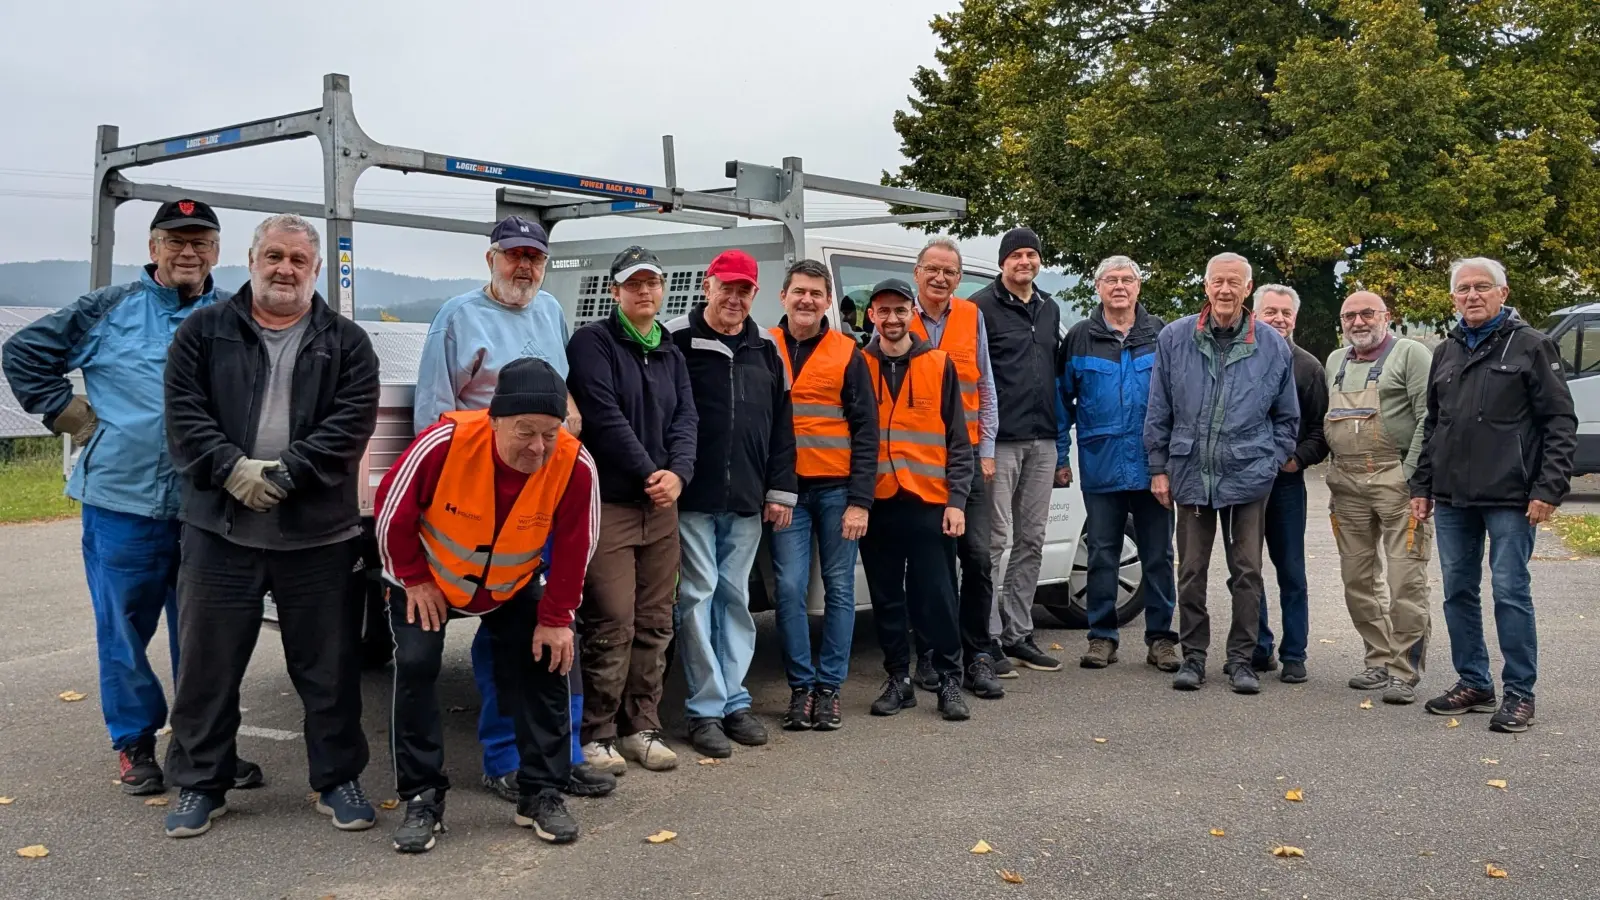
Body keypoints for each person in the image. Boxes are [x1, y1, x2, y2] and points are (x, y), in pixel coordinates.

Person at [0, 199, 268, 797]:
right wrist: (69, 415)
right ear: (153, 249)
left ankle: (203, 747)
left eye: (200, 242)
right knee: (122, 630)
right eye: (175, 241)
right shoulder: (108, 309)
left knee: (205, 635)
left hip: (205, 506)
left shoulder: (235, 316)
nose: (188, 252)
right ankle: (135, 745)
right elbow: (22, 353)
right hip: (122, 502)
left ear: (217, 254)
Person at [160, 214, 380, 837]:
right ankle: (201, 784)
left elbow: (350, 425)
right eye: (274, 255)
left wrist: (284, 475)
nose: (285, 268)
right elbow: (183, 412)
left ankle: (336, 779)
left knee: (329, 668)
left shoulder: (348, 341)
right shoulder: (204, 330)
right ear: (251, 259)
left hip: (318, 534)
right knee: (207, 665)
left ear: (314, 270)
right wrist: (231, 470)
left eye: (299, 260)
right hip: (218, 528)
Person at [411, 215, 609, 802]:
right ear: (490, 258)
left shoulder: (549, 310)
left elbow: (562, 389)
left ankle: (560, 754)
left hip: (544, 494)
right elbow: (434, 412)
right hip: (484, 500)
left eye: (535, 257)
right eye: (514, 254)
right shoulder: (458, 316)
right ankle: (503, 758)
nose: (524, 266)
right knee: (501, 629)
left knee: (559, 618)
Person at [376, 358, 599, 849]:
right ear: (494, 419)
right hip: (430, 581)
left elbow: (577, 544)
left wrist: (557, 617)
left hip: (511, 584)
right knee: (415, 665)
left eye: (549, 432)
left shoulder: (574, 462)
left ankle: (541, 791)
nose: (538, 447)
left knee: (551, 660)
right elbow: (391, 512)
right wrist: (413, 579)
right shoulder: (443, 444)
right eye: (525, 431)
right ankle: (422, 798)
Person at [1410, 258, 1576, 733]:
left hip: (1511, 496)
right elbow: (1435, 425)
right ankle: (1474, 683)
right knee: (1458, 592)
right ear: (1453, 299)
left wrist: (1549, 488)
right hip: (1454, 498)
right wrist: (1422, 486)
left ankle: (1520, 693)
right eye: (1464, 288)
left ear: (1503, 293)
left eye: (1483, 287)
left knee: (1509, 591)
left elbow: (1559, 422)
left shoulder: (1532, 346)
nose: (1473, 295)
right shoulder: (1445, 352)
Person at [566, 246, 698, 772]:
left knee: (655, 621)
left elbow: (687, 417)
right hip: (614, 503)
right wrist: (651, 473)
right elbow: (603, 415)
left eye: (653, 283)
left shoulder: (669, 348)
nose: (645, 291)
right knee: (611, 619)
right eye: (634, 283)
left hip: (663, 506)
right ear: (616, 290)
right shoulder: (592, 342)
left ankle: (641, 726)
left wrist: (679, 474)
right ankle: (597, 731)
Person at [1144, 252, 1299, 695]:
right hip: (1191, 470)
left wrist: (1271, 460)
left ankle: (1241, 659)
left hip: (1250, 474)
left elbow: (1287, 417)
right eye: (1218, 281)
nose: (1225, 290)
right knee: (1191, 569)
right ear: (1206, 286)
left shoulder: (1272, 344)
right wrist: (1159, 468)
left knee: (1247, 570)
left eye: (1234, 282)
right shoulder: (1175, 337)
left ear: (1248, 288)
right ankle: (1193, 656)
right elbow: (1159, 408)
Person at [664, 249, 796, 757]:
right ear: (707, 285)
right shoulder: (677, 339)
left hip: (746, 496)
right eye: (727, 287)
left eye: (745, 289)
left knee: (734, 600)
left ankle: (734, 701)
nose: (735, 297)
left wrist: (780, 489)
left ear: (754, 294)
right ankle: (704, 709)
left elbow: (784, 424)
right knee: (696, 598)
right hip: (692, 495)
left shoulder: (767, 347)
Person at [858, 279, 975, 723]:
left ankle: (948, 679)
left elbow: (958, 442)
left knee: (938, 596)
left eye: (900, 310)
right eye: (883, 311)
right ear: (872, 315)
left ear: (912, 313)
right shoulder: (858, 364)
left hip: (929, 501)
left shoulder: (939, 363)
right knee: (886, 597)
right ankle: (897, 680)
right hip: (878, 500)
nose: (891, 319)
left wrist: (956, 501)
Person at [767, 259, 877, 731]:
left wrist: (860, 500)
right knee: (789, 589)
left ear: (829, 301)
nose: (807, 300)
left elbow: (867, 431)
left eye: (816, 293)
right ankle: (800, 689)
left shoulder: (847, 352)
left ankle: (829, 688)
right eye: (799, 292)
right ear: (783, 296)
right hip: (785, 493)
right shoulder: (763, 348)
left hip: (836, 491)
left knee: (839, 589)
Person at [1057, 256, 1180, 673]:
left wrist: (1174, 460)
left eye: (1128, 279)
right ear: (1098, 287)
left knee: (1159, 556)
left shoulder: (1162, 334)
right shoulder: (1079, 338)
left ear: (1139, 287)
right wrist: (1060, 455)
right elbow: (1062, 403)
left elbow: (1179, 400)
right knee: (1102, 554)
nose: (1120, 287)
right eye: (1112, 280)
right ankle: (1101, 638)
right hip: (1101, 465)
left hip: (1153, 467)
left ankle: (1162, 640)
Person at [1320, 291, 1436, 704]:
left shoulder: (1410, 354)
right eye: (1349, 315)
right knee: (1357, 580)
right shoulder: (1335, 361)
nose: (1358, 321)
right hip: (1345, 484)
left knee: (1406, 578)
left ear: (1387, 316)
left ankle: (1406, 670)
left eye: (1367, 313)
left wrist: (1412, 476)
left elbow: (1429, 416)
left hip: (1395, 479)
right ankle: (1379, 659)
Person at [909, 236, 1008, 699]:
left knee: (979, 558)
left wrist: (986, 448)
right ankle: (930, 653)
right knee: (932, 565)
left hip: (966, 457)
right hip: (916, 461)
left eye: (950, 272)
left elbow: (985, 386)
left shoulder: (971, 317)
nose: (941, 278)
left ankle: (979, 654)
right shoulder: (894, 317)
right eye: (933, 269)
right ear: (918, 273)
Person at [970, 227, 1063, 673]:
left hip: (1043, 439)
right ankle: (985, 636)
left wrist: (1062, 444)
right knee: (994, 541)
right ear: (1003, 262)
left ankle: (1019, 632)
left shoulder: (1049, 308)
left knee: (1033, 539)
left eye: (1032, 254)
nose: (1025, 262)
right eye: (1017, 255)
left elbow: (1058, 375)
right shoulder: (979, 309)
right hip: (998, 441)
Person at [1250, 285, 1329, 683]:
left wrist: (1296, 460)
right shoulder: (1240, 358)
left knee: (1291, 570)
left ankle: (1294, 652)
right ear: (1255, 313)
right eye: (1271, 312)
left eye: (1286, 312)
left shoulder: (1308, 367)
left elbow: (1319, 430)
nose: (1279, 318)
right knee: (1247, 569)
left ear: (1294, 319)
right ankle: (1259, 646)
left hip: (1284, 483)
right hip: (1244, 482)